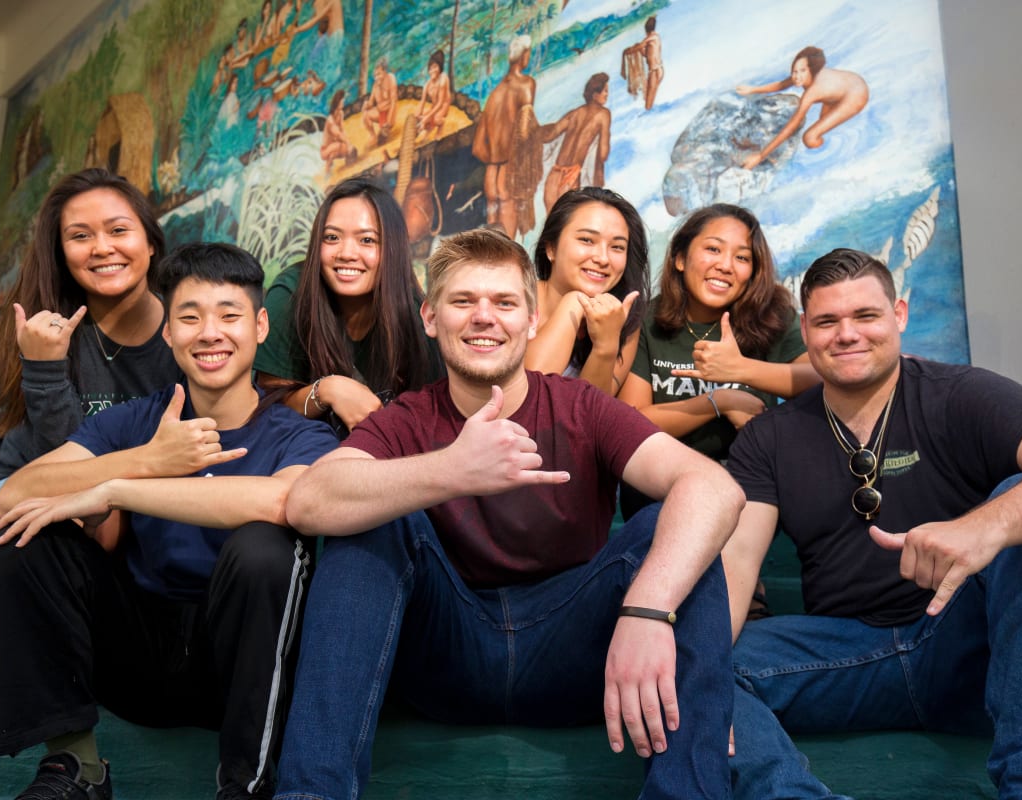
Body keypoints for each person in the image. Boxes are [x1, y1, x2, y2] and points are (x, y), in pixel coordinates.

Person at [273, 227, 743, 800]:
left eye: (503, 303)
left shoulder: (581, 407)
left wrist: (648, 610)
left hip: (572, 651)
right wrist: (453, 469)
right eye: (463, 301)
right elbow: (307, 501)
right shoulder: (408, 419)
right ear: (430, 316)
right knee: (369, 521)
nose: (483, 318)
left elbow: (716, 488)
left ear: (532, 320)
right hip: (448, 654)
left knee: (666, 530)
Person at [721, 248, 1022, 798]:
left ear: (898, 315)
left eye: (866, 316)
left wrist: (982, 528)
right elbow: (736, 564)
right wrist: (701, 665)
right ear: (806, 330)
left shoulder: (962, 394)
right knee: (694, 660)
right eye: (828, 321)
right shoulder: (769, 436)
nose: (847, 334)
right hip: (850, 654)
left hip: (976, 644)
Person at [0, 243, 340, 800]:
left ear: (260, 326)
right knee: (26, 534)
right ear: (168, 332)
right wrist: (146, 460)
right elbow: (10, 496)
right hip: (139, 654)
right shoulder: (137, 421)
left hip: (243, 667)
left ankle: (248, 784)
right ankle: (75, 768)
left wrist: (118, 488)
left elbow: (283, 502)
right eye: (189, 317)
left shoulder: (299, 433)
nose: (209, 332)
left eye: (229, 315)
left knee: (266, 547)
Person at [0, 168, 179, 538]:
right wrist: (44, 370)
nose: (102, 247)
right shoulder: (46, 331)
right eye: (80, 236)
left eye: (118, 230)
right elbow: (64, 469)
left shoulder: (188, 328)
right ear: (62, 254)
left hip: (146, 501)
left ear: (151, 242)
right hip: (34, 486)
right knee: (71, 521)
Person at [618, 204, 817, 515]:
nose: (726, 265)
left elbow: (820, 379)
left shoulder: (774, 315)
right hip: (660, 491)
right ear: (680, 258)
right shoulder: (646, 320)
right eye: (713, 249)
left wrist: (742, 369)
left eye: (742, 257)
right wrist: (719, 401)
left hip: (747, 491)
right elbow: (631, 423)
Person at [254, 178, 441, 436]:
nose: (346, 253)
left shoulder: (415, 312)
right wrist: (327, 390)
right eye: (331, 237)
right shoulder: (291, 294)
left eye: (367, 240)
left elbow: (434, 415)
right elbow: (267, 408)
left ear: (392, 249)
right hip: (297, 453)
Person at [525, 187, 649, 397]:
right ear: (551, 248)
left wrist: (605, 345)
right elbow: (529, 394)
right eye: (587, 240)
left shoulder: (625, 318)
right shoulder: (515, 301)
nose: (602, 258)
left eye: (617, 247)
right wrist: (573, 302)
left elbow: (592, 412)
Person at [737, 46, 868, 170]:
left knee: (810, 138)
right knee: (822, 122)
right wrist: (752, 89)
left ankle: (832, 152)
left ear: (812, 70)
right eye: (794, 71)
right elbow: (782, 84)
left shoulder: (812, 92)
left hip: (855, 94)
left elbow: (792, 125)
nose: (796, 76)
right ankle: (831, 107)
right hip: (840, 90)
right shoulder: (802, 77)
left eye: (802, 71)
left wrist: (760, 156)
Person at [472, 35, 538, 238]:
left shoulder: (495, 94)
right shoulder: (526, 84)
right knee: (508, 250)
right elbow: (525, 131)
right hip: (509, 173)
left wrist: (495, 159)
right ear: (524, 55)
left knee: (493, 250)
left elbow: (477, 147)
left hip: (491, 176)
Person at [539, 72, 611, 213]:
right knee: (565, 222)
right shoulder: (603, 114)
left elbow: (549, 135)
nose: (607, 95)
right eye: (605, 91)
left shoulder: (574, 113)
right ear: (595, 93)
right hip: (571, 174)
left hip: (555, 172)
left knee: (551, 222)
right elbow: (603, 155)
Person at [622, 16, 663, 111]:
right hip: (657, 70)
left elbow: (640, 45)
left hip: (655, 71)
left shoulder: (651, 37)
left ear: (647, 29)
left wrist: (629, 51)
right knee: (650, 101)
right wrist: (640, 49)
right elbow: (647, 55)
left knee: (648, 105)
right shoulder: (654, 38)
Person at [416, 49, 452, 142]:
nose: (433, 70)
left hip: (443, 107)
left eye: (435, 67)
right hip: (434, 107)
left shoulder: (443, 79)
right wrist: (418, 116)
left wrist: (426, 118)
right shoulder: (427, 84)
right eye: (430, 68)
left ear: (440, 67)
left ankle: (441, 126)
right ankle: (427, 131)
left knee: (435, 119)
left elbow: (440, 103)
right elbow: (422, 101)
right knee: (420, 118)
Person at [362, 59, 398, 145]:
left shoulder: (391, 78)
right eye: (375, 75)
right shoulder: (375, 85)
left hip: (390, 113)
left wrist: (388, 122)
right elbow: (371, 102)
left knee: (383, 137)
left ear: (384, 71)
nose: (376, 77)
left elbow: (393, 101)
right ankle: (373, 135)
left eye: (378, 74)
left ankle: (385, 130)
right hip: (380, 113)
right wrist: (366, 105)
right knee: (365, 115)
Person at [319, 89, 355, 173]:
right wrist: (348, 144)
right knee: (343, 146)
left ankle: (332, 160)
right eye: (342, 101)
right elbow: (338, 134)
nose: (343, 103)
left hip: (336, 145)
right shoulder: (330, 119)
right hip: (325, 150)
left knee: (346, 148)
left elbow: (342, 130)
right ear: (337, 102)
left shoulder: (340, 113)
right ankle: (328, 166)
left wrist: (348, 143)